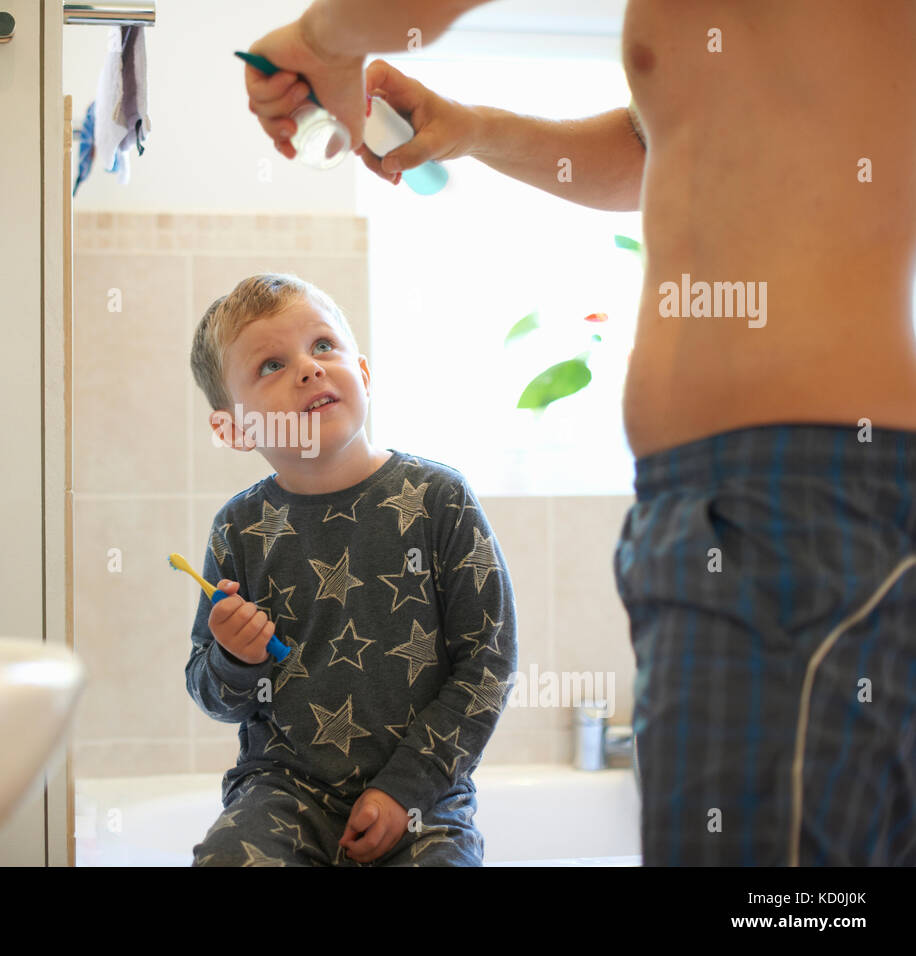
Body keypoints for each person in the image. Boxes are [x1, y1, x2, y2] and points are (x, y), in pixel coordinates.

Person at [242, 0, 916, 866]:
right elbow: (659, 144)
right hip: (795, 489)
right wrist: (473, 129)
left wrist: (322, 43)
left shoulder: (431, 497)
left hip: (787, 497)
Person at [185, 273, 518, 865]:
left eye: (322, 346)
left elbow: (488, 666)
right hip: (282, 791)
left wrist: (404, 790)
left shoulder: (439, 499)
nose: (309, 369)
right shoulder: (239, 529)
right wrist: (235, 658)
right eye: (270, 366)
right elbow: (213, 696)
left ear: (362, 373)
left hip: (425, 800)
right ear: (235, 430)